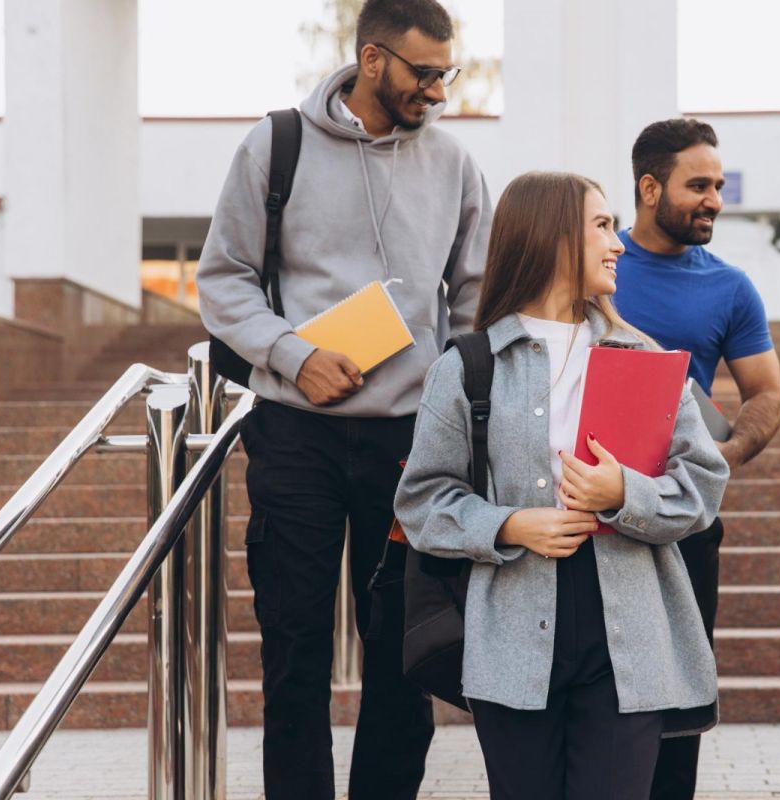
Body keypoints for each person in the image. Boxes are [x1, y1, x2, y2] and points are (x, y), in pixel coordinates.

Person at [195, 1, 491, 798]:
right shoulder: (277, 143)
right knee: (294, 651)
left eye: (445, 73)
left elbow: (472, 300)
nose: (436, 90)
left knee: (405, 649)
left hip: (410, 440)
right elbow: (220, 279)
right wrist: (294, 355)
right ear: (371, 60)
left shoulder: (455, 163)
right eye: (423, 73)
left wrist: (449, 399)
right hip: (296, 432)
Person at [394, 171, 730, 800]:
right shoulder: (468, 366)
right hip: (512, 632)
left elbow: (704, 484)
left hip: (629, 633)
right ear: (551, 237)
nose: (619, 243)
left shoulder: (643, 356)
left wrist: (623, 493)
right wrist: (511, 524)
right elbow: (421, 501)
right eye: (602, 225)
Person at [613, 118, 780, 800]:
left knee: (679, 705)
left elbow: (766, 392)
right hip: (591, 515)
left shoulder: (731, 287)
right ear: (649, 188)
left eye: (717, 185)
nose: (714, 198)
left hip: (684, 524)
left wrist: (728, 453)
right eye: (698, 186)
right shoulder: (595, 265)